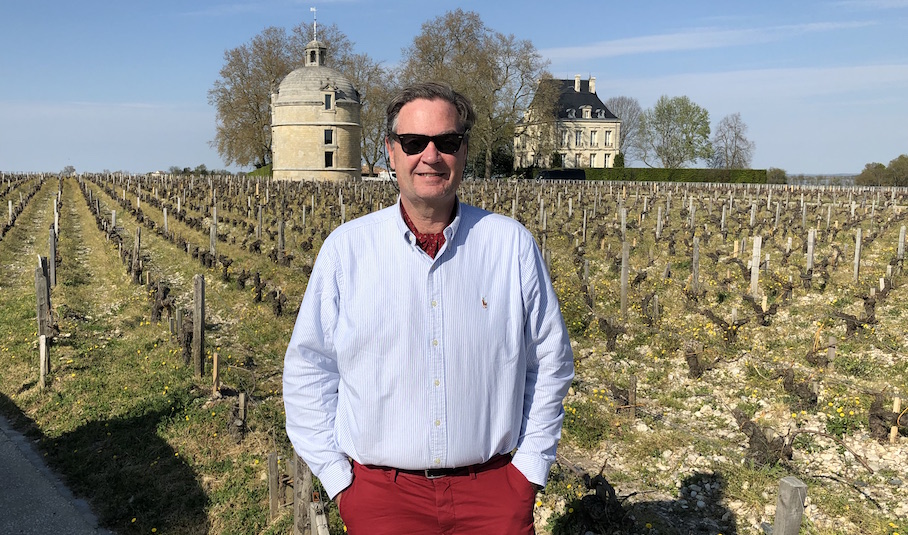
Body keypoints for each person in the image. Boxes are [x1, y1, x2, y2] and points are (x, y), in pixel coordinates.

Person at [283, 81, 574, 534]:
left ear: (463, 150)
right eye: (415, 142)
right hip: (382, 499)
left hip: (493, 494)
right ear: (391, 151)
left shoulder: (510, 244)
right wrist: (342, 482)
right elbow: (309, 370)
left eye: (448, 142)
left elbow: (550, 362)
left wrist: (528, 473)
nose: (431, 155)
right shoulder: (347, 250)